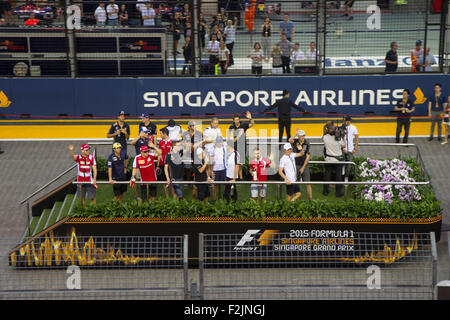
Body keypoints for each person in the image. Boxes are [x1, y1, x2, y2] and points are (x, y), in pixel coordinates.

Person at [322, 122, 346, 197]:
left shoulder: (325, 138)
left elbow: (323, 137)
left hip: (328, 159)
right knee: (338, 176)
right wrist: (343, 137)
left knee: (327, 175)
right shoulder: (339, 139)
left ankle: (325, 191)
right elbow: (344, 145)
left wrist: (325, 131)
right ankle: (338, 193)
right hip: (338, 160)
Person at [228, 111, 255, 178]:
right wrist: (238, 135)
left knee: (241, 164)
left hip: (243, 146)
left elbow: (252, 124)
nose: (237, 121)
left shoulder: (243, 125)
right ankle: (239, 177)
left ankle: (239, 176)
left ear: (239, 120)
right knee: (236, 163)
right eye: (235, 120)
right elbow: (231, 139)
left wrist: (250, 118)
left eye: (238, 119)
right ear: (233, 120)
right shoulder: (231, 127)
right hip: (235, 147)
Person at [288, 129, 312, 201]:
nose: (302, 137)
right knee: (294, 182)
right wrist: (295, 134)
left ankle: (310, 199)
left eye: (303, 135)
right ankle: (293, 197)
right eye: (300, 136)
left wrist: (303, 167)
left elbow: (308, 156)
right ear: (298, 136)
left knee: (307, 182)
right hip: (295, 164)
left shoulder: (307, 143)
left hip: (304, 164)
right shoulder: (295, 142)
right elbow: (290, 140)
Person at [210, 136, 227, 201]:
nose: (219, 143)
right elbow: (211, 161)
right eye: (218, 142)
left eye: (220, 142)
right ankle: (214, 198)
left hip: (223, 169)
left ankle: (224, 197)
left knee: (224, 184)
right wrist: (211, 171)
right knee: (215, 185)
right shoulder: (213, 149)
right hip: (215, 169)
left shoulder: (224, 148)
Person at [158, 127, 172, 197]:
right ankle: (167, 198)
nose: (159, 135)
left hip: (170, 165)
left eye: (160, 133)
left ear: (164, 134)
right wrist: (158, 164)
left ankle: (174, 199)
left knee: (171, 181)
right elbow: (160, 153)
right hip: (162, 164)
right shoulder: (161, 142)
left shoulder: (172, 141)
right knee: (164, 181)